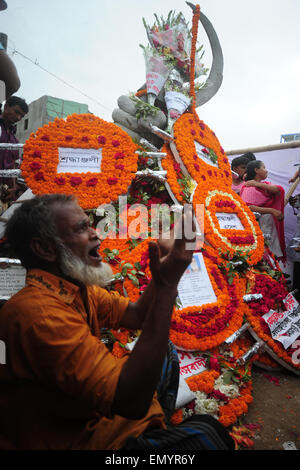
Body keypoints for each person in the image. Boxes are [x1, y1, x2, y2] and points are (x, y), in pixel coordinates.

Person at [0, 194, 234, 450]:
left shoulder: (73, 287)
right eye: (81, 229)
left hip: (90, 415)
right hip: (67, 439)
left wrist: (165, 269)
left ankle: (152, 431)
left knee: (165, 352)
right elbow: (130, 403)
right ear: (44, 249)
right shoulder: (41, 316)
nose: (96, 235)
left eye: (90, 224)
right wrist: (166, 288)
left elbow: (136, 315)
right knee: (207, 437)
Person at [240, 160, 286, 261]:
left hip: (270, 226)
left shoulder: (264, 185)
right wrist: (272, 210)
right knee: (265, 257)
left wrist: (258, 184)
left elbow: (278, 190)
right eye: (264, 167)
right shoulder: (249, 187)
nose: (266, 170)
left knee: (273, 256)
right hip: (259, 228)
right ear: (256, 170)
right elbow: (248, 207)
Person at [0, 95, 28, 214]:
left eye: (21, 116)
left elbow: (13, 166)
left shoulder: (14, 140)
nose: (18, 117)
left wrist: (13, 188)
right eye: (16, 112)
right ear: (6, 107)